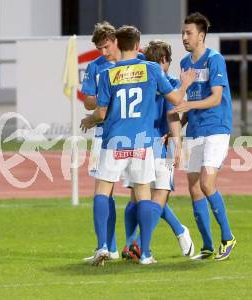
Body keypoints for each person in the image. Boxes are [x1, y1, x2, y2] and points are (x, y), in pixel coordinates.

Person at [81, 25, 196, 265]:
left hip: (114, 141)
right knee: (143, 193)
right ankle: (145, 254)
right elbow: (175, 100)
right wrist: (184, 85)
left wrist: (89, 120)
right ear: (137, 45)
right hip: (142, 143)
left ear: (118, 44)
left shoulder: (108, 74)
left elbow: (100, 113)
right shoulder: (152, 69)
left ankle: (103, 246)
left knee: (103, 190)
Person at [122, 40, 195, 261]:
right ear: (164, 60)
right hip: (157, 145)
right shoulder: (169, 82)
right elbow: (173, 114)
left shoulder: (137, 81)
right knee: (158, 197)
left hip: (133, 142)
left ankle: (131, 244)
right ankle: (144, 248)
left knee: (138, 198)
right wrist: (177, 144)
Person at [174, 12, 236, 261]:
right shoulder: (184, 64)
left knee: (207, 184)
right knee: (194, 188)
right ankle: (208, 246)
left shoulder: (215, 60)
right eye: (183, 32)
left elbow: (216, 98)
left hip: (216, 129)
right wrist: (178, 124)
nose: (184, 37)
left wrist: (189, 106)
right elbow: (186, 101)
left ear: (201, 35)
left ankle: (228, 237)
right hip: (195, 130)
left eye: (189, 33)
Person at [81, 21, 121, 262]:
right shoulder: (95, 67)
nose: (104, 53)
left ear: (116, 40)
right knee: (105, 191)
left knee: (142, 192)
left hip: (132, 135)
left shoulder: (134, 61)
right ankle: (108, 246)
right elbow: (87, 100)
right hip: (102, 134)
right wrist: (104, 101)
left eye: (106, 47)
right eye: (100, 49)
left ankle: (143, 248)